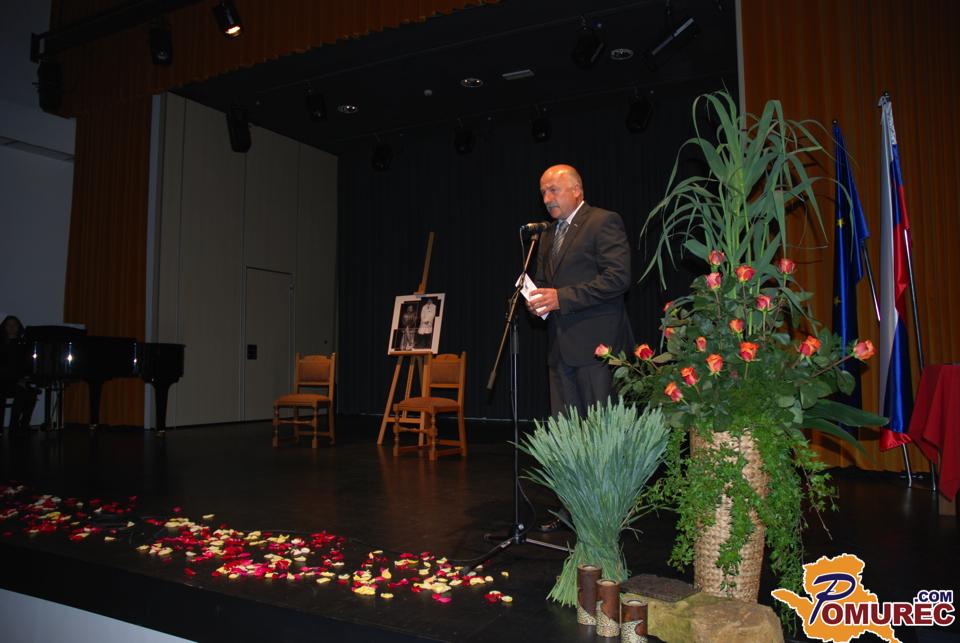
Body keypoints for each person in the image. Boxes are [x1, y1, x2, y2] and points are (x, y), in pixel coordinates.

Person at [527, 164, 634, 418]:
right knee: (566, 433)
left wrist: (560, 298)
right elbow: (544, 283)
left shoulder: (602, 221)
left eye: (553, 190)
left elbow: (617, 278)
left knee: (601, 430)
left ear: (576, 190)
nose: (547, 199)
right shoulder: (547, 235)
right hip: (559, 350)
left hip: (597, 349)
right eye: (543, 193)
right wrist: (537, 302)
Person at [1, 315, 38, 432]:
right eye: (8, 325)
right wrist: (17, 380)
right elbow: (4, 367)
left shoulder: (23, 344)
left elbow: (25, 365)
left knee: (31, 393)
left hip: (17, 381)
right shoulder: (1, 344)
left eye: (14, 325)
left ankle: (23, 425)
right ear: (4, 327)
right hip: (3, 382)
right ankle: (13, 426)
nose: (12, 328)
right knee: (21, 391)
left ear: (19, 327)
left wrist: (25, 378)